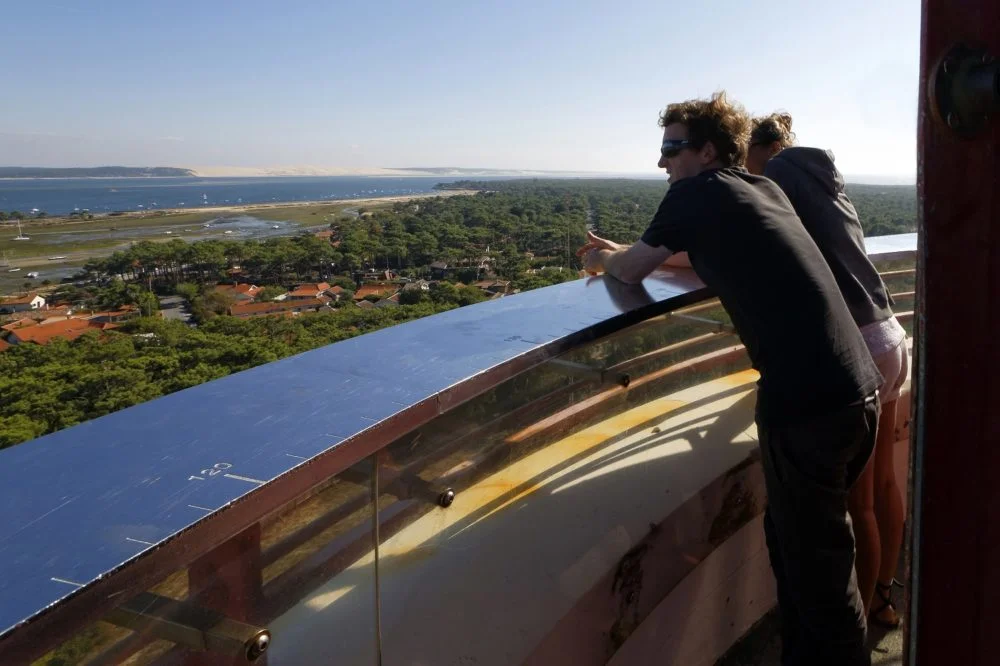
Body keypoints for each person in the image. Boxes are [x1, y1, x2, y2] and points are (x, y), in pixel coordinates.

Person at [577, 91, 882, 666]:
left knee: (820, 584)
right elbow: (703, 251)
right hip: (857, 393)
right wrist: (624, 250)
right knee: (797, 555)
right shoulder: (761, 189)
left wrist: (603, 260)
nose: (663, 161)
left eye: (673, 148)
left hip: (807, 406)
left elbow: (634, 269)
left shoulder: (695, 194)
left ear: (708, 151)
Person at [747, 113, 909, 629]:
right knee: (884, 483)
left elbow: (747, 243)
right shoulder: (820, 178)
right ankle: (884, 596)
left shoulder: (778, 174)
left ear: (763, 149)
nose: (744, 174)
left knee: (858, 506)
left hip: (858, 346)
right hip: (889, 335)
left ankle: (859, 628)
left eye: (745, 162)